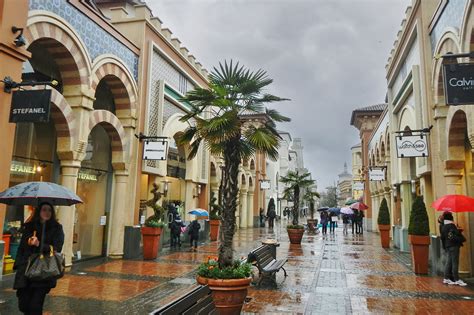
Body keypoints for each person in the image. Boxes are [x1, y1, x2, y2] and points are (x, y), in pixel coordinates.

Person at [13, 202, 65, 315]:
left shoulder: (57, 228)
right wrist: (18, 264)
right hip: (26, 270)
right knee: (24, 304)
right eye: (44, 210)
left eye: (49, 210)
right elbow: (21, 248)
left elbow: (57, 248)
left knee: (35, 305)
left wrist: (39, 244)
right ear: (38, 211)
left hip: (43, 272)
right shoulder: (30, 227)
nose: (47, 212)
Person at [440, 211, 467, 286]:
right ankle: (457, 279)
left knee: (449, 262)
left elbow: (443, 237)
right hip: (454, 246)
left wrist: (445, 246)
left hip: (448, 246)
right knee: (455, 262)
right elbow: (453, 236)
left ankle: (446, 278)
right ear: (450, 217)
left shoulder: (443, 226)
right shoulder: (451, 225)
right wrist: (459, 232)